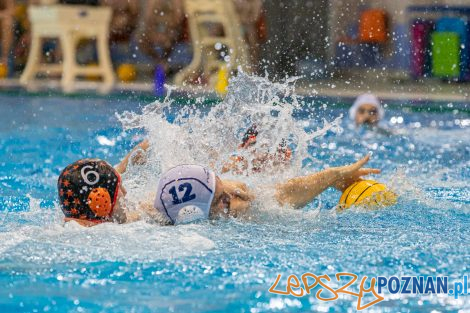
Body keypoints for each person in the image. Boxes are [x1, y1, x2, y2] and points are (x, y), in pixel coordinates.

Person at [155, 154, 380, 224]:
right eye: (223, 200)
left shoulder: (237, 193)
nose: (236, 195)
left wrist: (332, 175)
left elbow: (279, 194)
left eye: (225, 186)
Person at [57, 140, 151, 226]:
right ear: (101, 199)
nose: (125, 192)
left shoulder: (76, 225)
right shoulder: (113, 231)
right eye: (120, 187)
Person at [222, 124, 292, 174]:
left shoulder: (270, 158)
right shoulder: (237, 161)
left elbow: (287, 154)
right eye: (252, 145)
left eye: (258, 146)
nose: (255, 150)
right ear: (241, 147)